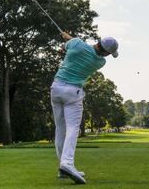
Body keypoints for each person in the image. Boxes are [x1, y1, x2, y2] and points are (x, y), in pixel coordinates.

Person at [50, 32, 118, 184]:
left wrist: (69, 38)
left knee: (60, 128)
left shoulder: (76, 43)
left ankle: (63, 167)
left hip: (56, 88)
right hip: (73, 92)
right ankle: (67, 163)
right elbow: (75, 49)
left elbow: (68, 47)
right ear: (106, 52)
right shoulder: (100, 62)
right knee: (73, 128)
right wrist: (70, 40)